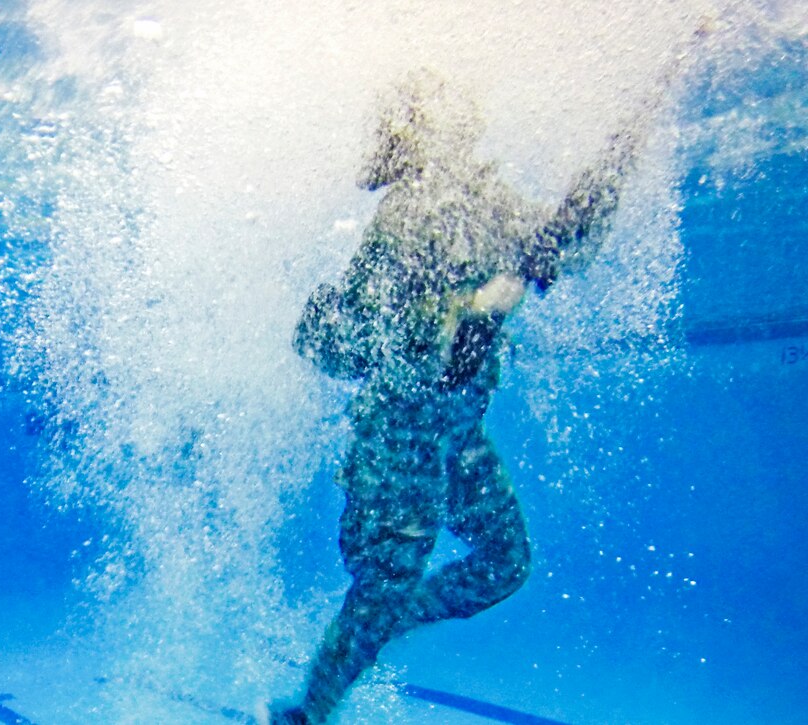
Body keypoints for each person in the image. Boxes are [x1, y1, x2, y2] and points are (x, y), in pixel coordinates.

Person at [268, 68, 661, 725]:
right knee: (384, 585)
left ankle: (385, 622)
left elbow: (565, 241)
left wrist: (619, 156)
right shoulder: (404, 215)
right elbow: (376, 333)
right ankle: (307, 711)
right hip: (395, 433)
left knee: (504, 562)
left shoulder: (489, 201)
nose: (467, 130)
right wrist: (462, 312)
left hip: (456, 431)